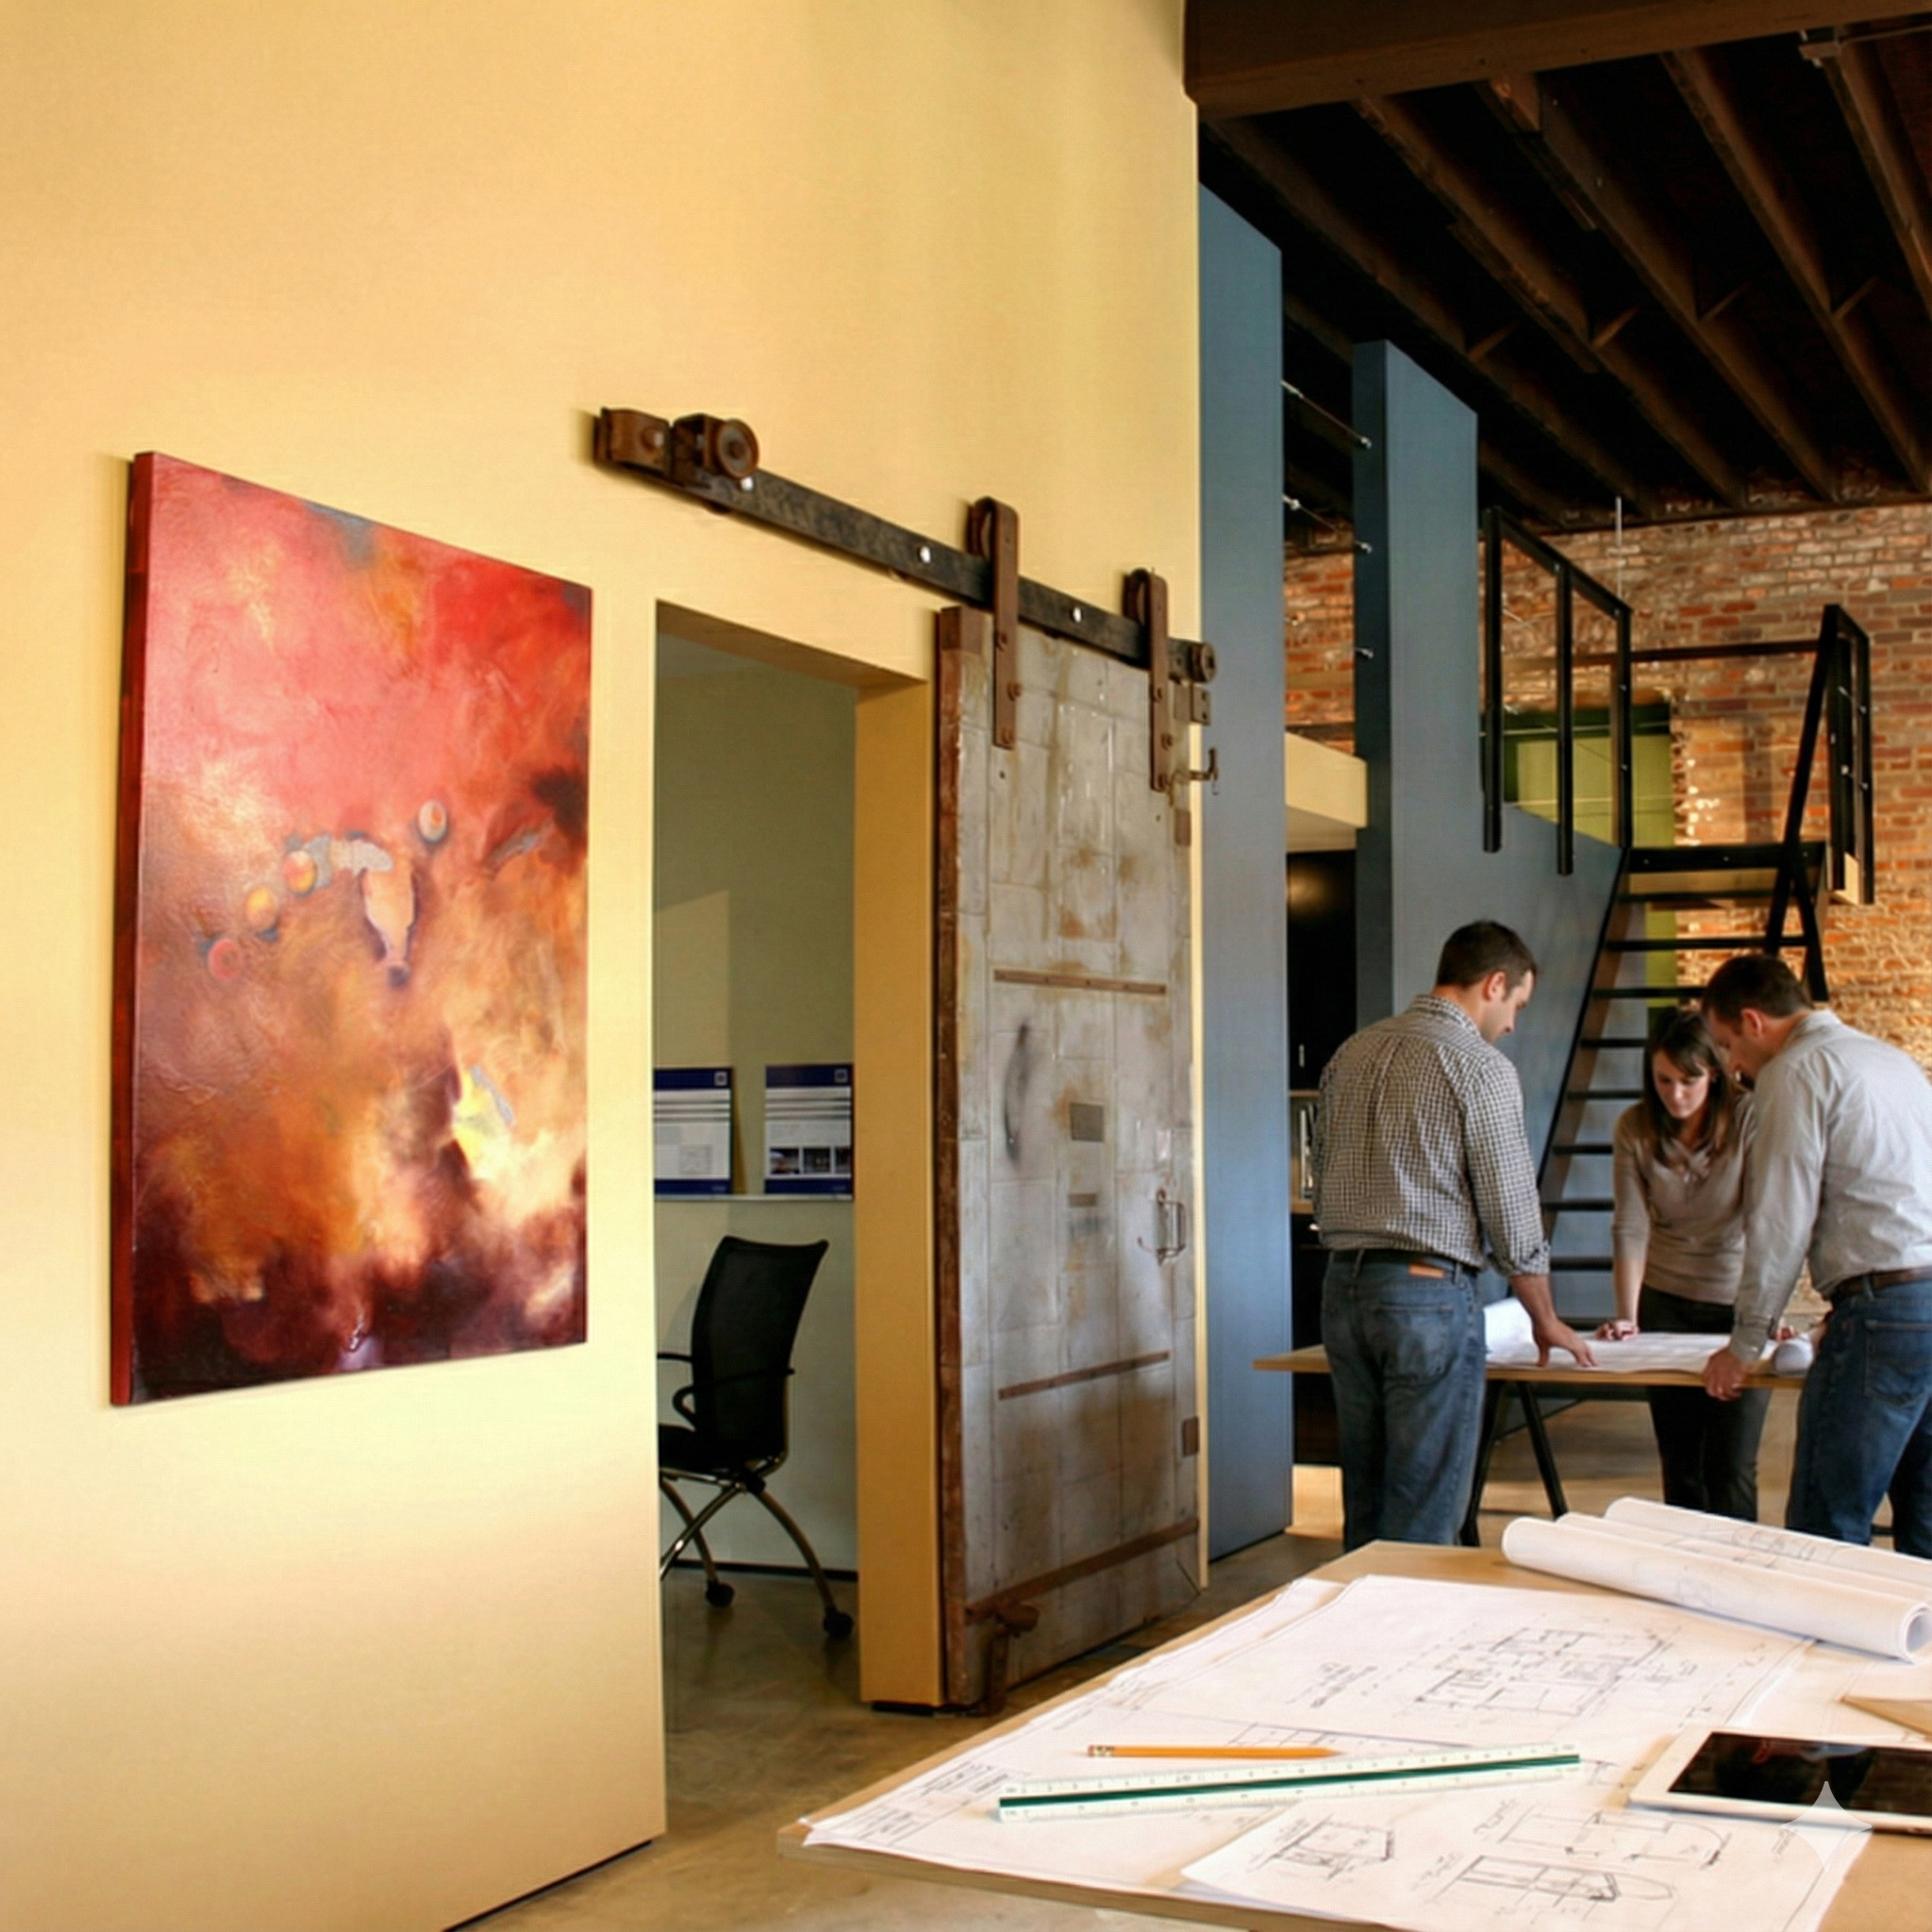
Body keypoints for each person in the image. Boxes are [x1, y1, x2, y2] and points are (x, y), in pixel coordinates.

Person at [1312, 920, 1595, 1550]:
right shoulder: (1480, 1067)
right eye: (1517, 1003)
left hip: (1343, 1290)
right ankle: (1415, 1613)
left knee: (1367, 1497)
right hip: (1427, 1293)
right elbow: (1512, 1209)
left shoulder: (1352, 1052)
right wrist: (1545, 1317)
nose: (1513, 1024)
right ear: (1494, 984)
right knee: (1425, 1506)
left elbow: (1322, 1172)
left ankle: (1364, 1612)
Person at [1700, 954, 1932, 1557]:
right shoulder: (1891, 1062)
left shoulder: (1794, 1072)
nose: (1731, 1065)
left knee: (1826, 1526)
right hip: (1918, 1296)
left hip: (1885, 1313)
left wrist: (1744, 1344)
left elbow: (1781, 1218)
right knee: (1926, 1517)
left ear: (1753, 1022)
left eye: (1727, 1044)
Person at [1599, 1008, 1766, 1520]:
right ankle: (1684, 1563)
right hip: (1666, 1302)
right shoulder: (1635, 1127)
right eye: (1664, 1080)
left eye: (1688, 1081)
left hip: (1735, 1304)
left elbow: (1769, 1220)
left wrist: (1767, 1313)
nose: (1675, 1094)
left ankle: (1736, 1564)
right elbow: (1631, 1226)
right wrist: (1627, 1315)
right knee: (1681, 1464)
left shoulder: (1748, 1117)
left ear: (1713, 1072)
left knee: (1730, 1465)